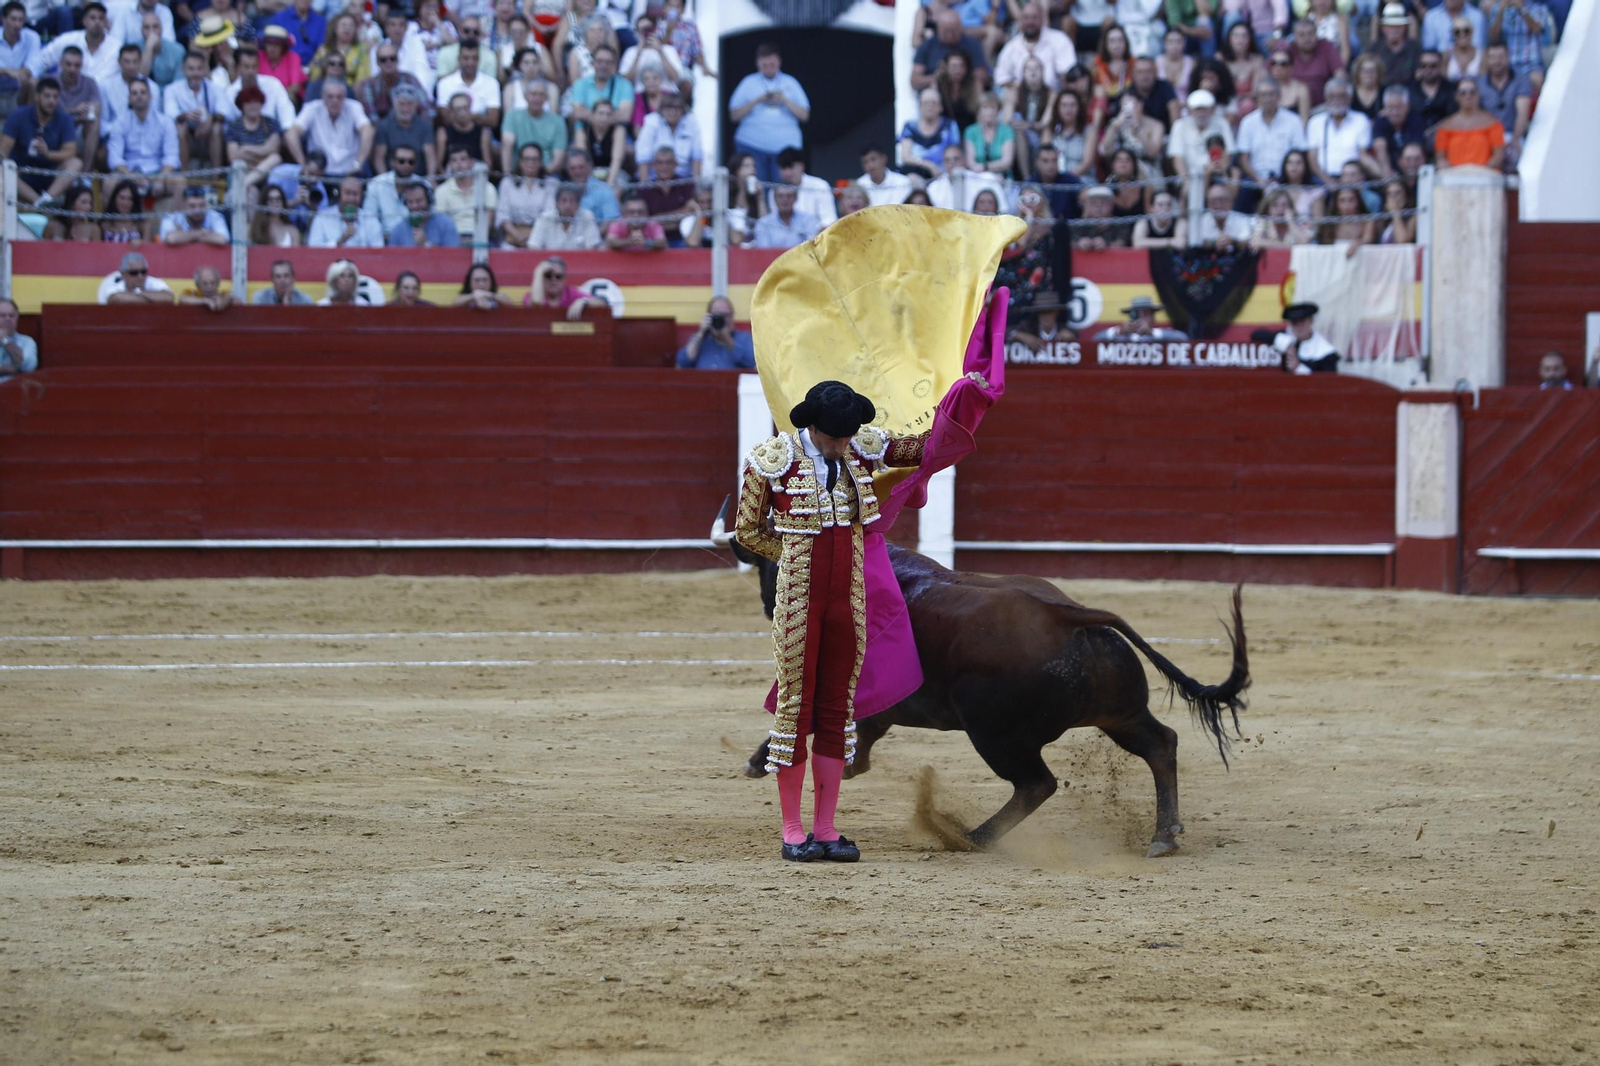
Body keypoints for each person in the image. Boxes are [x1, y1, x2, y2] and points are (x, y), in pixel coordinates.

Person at [733, 380, 940, 863]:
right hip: (799, 602)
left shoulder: (861, 450)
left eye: (850, 436)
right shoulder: (772, 459)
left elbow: (923, 446)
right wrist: (793, 555)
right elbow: (747, 531)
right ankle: (792, 831)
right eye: (836, 437)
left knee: (836, 709)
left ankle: (825, 828)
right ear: (813, 427)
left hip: (849, 599)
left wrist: (966, 399)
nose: (845, 444)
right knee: (795, 711)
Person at [727, 42, 808, 183]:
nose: (769, 69)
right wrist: (757, 100)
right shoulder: (748, 83)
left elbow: (805, 115)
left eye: (772, 65)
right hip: (753, 146)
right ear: (758, 63)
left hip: (784, 149)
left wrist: (785, 100)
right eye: (765, 65)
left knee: (783, 188)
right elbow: (734, 115)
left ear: (779, 62)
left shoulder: (791, 83)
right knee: (755, 187)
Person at [0, 75, 81, 206]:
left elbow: (70, 151)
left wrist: (48, 153)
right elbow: (3, 149)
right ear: (37, 97)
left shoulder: (64, 119)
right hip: (22, 174)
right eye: (47, 96)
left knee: (75, 163)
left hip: (50, 175)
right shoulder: (19, 115)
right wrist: (12, 166)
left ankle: (47, 199)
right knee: (2, 165)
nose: (52, 101)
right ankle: (38, 203)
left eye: (55, 97)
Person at [287, 78, 371, 177]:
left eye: (339, 97)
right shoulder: (312, 108)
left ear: (345, 97)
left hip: (349, 174)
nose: (334, 101)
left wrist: (358, 164)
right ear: (323, 96)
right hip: (319, 175)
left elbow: (368, 130)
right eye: (330, 96)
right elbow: (291, 134)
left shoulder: (354, 107)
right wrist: (303, 164)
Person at [107, 78, 176, 198]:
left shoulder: (165, 121)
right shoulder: (120, 122)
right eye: (134, 93)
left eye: (143, 92)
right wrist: (130, 175)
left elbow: (172, 156)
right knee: (109, 182)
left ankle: (173, 217)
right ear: (129, 98)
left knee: (178, 182)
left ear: (150, 96)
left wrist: (160, 178)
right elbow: (114, 157)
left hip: (157, 171)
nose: (139, 96)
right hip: (129, 171)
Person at [29, 2, 118, 86]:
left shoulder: (116, 47)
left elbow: (105, 81)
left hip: (99, 97)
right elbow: (42, 59)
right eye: (92, 18)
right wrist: (31, 75)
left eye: (101, 18)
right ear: (84, 21)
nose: (97, 22)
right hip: (64, 96)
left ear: (106, 23)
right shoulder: (68, 39)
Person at [994, 2, 1077, 91]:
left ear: (1042, 19)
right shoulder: (1011, 47)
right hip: (1020, 99)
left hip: (1054, 97)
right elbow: (1001, 79)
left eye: (1034, 17)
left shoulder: (1060, 40)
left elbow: (1068, 72)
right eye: (1026, 17)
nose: (1030, 22)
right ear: (1020, 20)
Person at [163, 49, 221, 169]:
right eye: (191, 69)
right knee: (180, 128)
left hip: (207, 138)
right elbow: (169, 114)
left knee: (217, 128)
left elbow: (226, 112)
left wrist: (211, 118)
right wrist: (186, 116)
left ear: (205, 70)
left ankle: (216, 179)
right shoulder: (172, 89)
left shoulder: (214, 88)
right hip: (186, 139)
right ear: (183, 70)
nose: (195, 73)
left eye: (199, 69)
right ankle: (184, 177)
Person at [1306, 77, 1372, 182]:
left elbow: (1363, 156)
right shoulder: (1315, 122)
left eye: (1341, 96)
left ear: (1349, 98)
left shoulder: (1361, 120)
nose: (1336, 100)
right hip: (1321, 180)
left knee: (1373, 199)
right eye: (1332, 96)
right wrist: (1328, 182)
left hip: (1353, 180)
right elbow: (1312, 159)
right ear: (1326, 98)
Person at [911, 9, 992, 93]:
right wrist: (940, 78)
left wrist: (961, 76)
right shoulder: (927, 45)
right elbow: (915, 80)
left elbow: (983, 76)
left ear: (960, 28)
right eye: (946, 31)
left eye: (953, 31)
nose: (949, 35)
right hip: (936, 93)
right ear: (938, 29)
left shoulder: (971, 44)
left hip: (965, 93)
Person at [1476, 43, 1529, 166]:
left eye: (1500, 57)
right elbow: (1478, 113)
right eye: (1492, 57)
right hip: (1488, 135)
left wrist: (1515, 140)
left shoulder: (1521, 79)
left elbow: (1522, 113)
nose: (1497, 61)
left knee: (1518, 156)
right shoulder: (1480, 83)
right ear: (1487, 60)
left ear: (1508, 57)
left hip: (1512, 133)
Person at [1432, 78, 1503, 169]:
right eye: (1463, 93)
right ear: (1456, 97)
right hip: (1454, 177)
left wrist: (1483, 172)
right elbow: (1440, 157)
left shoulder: (1493, 123)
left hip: (1484, 176)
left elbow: (1498, 155)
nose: (1468, 96)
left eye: (1472, 92)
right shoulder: (1446, 126)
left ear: (1478, 95)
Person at [1486, 0, 1555, 92]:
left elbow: (1536, 29)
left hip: (1531, 63)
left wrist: (1522, 9)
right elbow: (1493, 37)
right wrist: (1501, 11)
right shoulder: (1497, 9)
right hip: (1507, 64)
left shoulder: (1538, 9)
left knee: (1537, 79)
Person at [500, 76, 564, 173]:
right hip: (518, 173)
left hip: (546, 175)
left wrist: (539, 177)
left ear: (546, 98)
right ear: (525, 96)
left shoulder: (558, 122)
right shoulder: (512, 116)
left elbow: (558, 159)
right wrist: (507, 175)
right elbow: (507, 145)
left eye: (541, 95)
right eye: (533, 94)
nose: (537, 99)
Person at [497, 141, 554, 249]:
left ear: (541, 162)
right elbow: (502, 215)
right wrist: (518, 236)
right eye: (527, 159)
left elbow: (549, 215)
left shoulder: (550, 184)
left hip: (541, 238)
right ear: (520, 161)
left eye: (535, 159)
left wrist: (533, 238)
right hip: (512, 238)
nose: (531, 163)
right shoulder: (507, 183)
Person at [898, 85, 961, 181]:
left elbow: (954, 152)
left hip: (944, 173)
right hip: (916, 172)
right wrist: (929, 165)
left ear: (940, 107)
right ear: (920, 106)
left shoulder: (949, 126)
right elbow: (905, 157)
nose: (929, 106)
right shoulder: (910, 126)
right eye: (926, 103)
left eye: (934, 103)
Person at [1167, 87, 1232, 181]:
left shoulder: (1222, 124)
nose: (1201, 114)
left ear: (1212, 109)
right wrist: (1186, 181)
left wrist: (1215, 172)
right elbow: (1177, 158)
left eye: (1204, 109)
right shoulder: (1179, 126)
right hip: (1187, 177)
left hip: (1215, 177)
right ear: (1190, 110)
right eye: (1197, 109)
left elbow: (1228, 154)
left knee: (1217, 193)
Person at [223, 84, 279, 192]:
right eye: (248, 102)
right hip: (243, 171)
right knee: (251, 190)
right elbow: (233, 157)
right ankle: (244, 185)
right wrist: (262, 154)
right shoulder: (234, 126)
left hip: (267, 173)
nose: (253, 105)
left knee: (276, 158)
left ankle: (238, 189)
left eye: (256, 101)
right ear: (242, 105)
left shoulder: (270, 123)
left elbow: (273, 149)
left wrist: (246, 149)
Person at [675, 295, 754, 370]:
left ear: (732, 316)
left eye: (725, 315)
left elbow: (752, 362)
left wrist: (727, 339)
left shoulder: (744, 339)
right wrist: (701, 332)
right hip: (703, 383)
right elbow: (683, 362)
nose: (721, 319)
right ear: (709, 317)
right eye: (717, 315)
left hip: (732, 383)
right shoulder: (700, 339)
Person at [632, 90, 698, 179]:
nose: (672, 112)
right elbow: (643, 155)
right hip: (654, 179)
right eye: (668, 108)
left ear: (683, 110)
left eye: (677, 108)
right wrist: (645, 187)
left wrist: (697, 186)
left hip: (683, 180)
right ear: (662, 109)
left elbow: (697, 156)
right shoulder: (651, 121)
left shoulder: (691, 122)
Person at [435, 143, 495, 237]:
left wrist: (477, 240)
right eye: (454, 160)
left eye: (463, 159)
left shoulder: (488, 188)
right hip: (452, 240)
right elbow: (441, 224)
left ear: (472, 163)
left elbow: (488, 224)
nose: (458, 164)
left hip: (480, 239)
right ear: (449, 165)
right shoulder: (441, 190)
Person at [308, 173, 384, 247]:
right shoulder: (322, 218)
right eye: (347, 193)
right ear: (338, 194)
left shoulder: (370, 219)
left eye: (355, 194)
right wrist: (339, 242)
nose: (351, 198)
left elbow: (379, 251)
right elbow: (313, 250)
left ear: (362, 196)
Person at [372, 83, 433, 174]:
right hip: (391, 178)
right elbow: (379, 159)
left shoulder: (425, 125)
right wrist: (385, 181)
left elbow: (430, 156)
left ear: (416, 105)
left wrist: (431, 178)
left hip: (418, 178)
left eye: (409, 104)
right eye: (401, 104)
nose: (405, 108)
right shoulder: (384, 126)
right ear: (394, 105)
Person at [357, 40, 423, 123]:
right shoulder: (369, 85)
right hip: (382, 132)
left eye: (392, 58)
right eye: (383, 60)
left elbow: (427, 110)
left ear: (398, 60)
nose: (388, 62)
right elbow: (371, 117)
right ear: (377, 63)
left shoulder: (410, 80)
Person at [1369, 84, 1425, 177]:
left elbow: (1415, 150)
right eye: (1390, 107)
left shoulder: (1416, 120)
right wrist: (1389, 175)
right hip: (1388, 168)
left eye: (1398, 107)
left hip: (1411, 167)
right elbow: (1380, 148)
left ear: (1407, 107)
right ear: (1385, 107)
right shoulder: (1380, 121)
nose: (1394, 112)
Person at [566, 41, 630, 122]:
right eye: (600, 61)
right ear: (593, 63)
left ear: (614, 64)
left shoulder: (624, 85)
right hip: (587, 129)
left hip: (614, 130)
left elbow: (625, 116)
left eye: (608, 62)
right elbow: (578, 113)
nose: (603, 66)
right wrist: (608, 116)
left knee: (620, 129)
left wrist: (594, 115)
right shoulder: (580, 84)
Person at [1286, 17, 1341, 107]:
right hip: (1293, 106)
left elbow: (1339, 73)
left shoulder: (1326, 46)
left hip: (1323, 107)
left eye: (1310, 34)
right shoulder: (1288, 49)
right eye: (1301, 35)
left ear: (1316, 34)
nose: (1307, 38)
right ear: (1294, 37)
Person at [388, 179, 460, 246]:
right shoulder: (399, 229)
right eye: (410, 202)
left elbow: (453, 256)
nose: (414, 206)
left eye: (418, 201)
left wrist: (426, 244)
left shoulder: (445, 224)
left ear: (429, 200)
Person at [0, 3, 40, 123]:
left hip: (19, 89)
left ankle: (28, 126)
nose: (17, 24)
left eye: (20, 20)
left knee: (34, 82)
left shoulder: (32, 37)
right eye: (13, 19)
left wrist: (17, 72)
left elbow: (34, 66)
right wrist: (8, 71)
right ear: (4, 20)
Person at [1363, 3, 1421, 87]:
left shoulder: (1415, 48)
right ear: (1383, 28)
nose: (1394, 30)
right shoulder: (1374, 49)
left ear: (1404, 27)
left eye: (1398, 26)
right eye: (1390, 26)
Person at [530, 183, 600, 249]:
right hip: (549, 261)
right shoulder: (545, 218)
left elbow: (593, 247)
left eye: (572, 201)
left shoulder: (586, 217)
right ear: (557, 203)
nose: (567, 205)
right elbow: (533, 247)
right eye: (564, 201)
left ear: (578, 204)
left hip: (580, 261)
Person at [1273, 301, 1338, 371]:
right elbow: (1262, 333)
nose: (1299, 327)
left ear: (1311, 321)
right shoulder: (1288, 335)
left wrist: (1298, 368)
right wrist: (1287, 345)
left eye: (1302, 321)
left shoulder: (1326, 353)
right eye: (1295, 323)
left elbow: (1328, 380)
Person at [751, 183, 818, 249]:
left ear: (795, 198)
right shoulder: (763, 223)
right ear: (774, 199)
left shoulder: (808, 220)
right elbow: (763, 252)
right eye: (780, 196)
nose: (784, 200)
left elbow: (810, 249)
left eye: (789, 196)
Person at [560, 146, 618, 222]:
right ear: (567, 170)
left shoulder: (604, 189)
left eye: (581, 167)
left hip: (598, 232)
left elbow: (610, 220)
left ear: (590, 167)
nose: (577, 172)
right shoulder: (562, 190)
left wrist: (593, 234)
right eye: (573, 168)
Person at [525, 256, 596, 318]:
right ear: (542, 278)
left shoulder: (570, 293)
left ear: (564, 279)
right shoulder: (533, 295)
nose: (553, 280)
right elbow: (536, 303)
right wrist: (539, 270)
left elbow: (602, 303)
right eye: (548, 276)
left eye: (558, 276)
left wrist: (584, 301)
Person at [160, 185, 227, 245]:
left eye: (201, 205)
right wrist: (201, 233)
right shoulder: (172, 218)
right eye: (192, 206)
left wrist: (183, 236)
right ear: (183, 206)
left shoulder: (215, 216)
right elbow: (171, 238)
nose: (197, 210)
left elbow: (222, 239)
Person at [1097, 295, 1185, 340]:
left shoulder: (1161, 337)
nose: (1141, 318)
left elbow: (1183, 338)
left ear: (1153, 318)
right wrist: (1119, 331)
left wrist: (1152, 333)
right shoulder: (1122, 337)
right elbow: (1096, 339)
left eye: (1146, 314)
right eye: (1137, 314)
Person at [269, 0, 326, 69]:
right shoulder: (280, 18)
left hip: (311, 67)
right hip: (285, 67)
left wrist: (310, 67)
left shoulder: (320, 21)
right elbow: (274, 46)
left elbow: (322, 48)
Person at [99, 250, 174, 302]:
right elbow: (117, 299)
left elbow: (168, 298)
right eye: (134, 273)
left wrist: (137, 293)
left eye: (143, 272)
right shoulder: (113, 285)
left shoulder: (154, 282)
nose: (140, 276)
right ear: (123, 274)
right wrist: (153, 299)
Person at [1411, 49, 1459, 129]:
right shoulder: (1411, 90)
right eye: (1424, 66)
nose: (1428, 69)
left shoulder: (1452, 89)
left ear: (1440, 66)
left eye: (1433, 65)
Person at [1198, 180, 1253, 249]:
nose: (1217, 205)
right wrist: (1213, 243)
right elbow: (1197, 241)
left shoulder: (1242, 220)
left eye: (1221, 200)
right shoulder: (1201, 221)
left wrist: (1232, 242)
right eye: (1213, 201)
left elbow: (1247, 241)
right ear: (1208, 204)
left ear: (1230, 202)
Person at [856, 143, 912, 208]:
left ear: (883, 158)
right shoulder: (859, 185)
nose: (870, 165)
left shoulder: (903, 182)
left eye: (873, 159)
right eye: (865, 162)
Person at [258, 25, 305, 101]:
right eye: (269, 43)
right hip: (261, 99)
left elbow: (295, 87)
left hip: (284, 99)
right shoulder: (259, 56)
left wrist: (275, 99)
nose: (272, 48)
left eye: (276, 44)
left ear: (283, 47)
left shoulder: (293, 57)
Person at [0, 297, 37, 380]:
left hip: (15, 390)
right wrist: (5, 369)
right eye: (2, 315)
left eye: (11, 315)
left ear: (17, 318)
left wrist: (6, 341)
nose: (8, 319)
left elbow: (28, 366)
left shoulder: (27, 342)